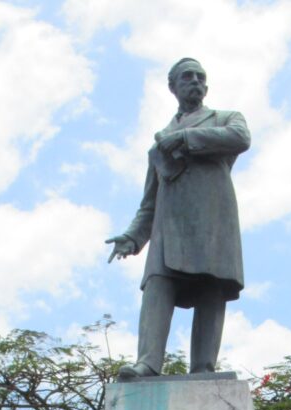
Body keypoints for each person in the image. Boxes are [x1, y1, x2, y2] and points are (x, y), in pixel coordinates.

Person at [106, 57, 250, 381]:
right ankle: (147, 363)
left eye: (200, 76)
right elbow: (149, 202)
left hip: (213, 222)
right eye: (187, 77)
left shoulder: (226, 119)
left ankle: (203, 368)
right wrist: (132, 237)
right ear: (173, 87)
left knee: (211, 287)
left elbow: (240, 138)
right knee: (157, 285)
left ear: (206, 86)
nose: (195, 81)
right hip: (168, 227)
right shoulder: (158, 146)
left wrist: (185, 139)